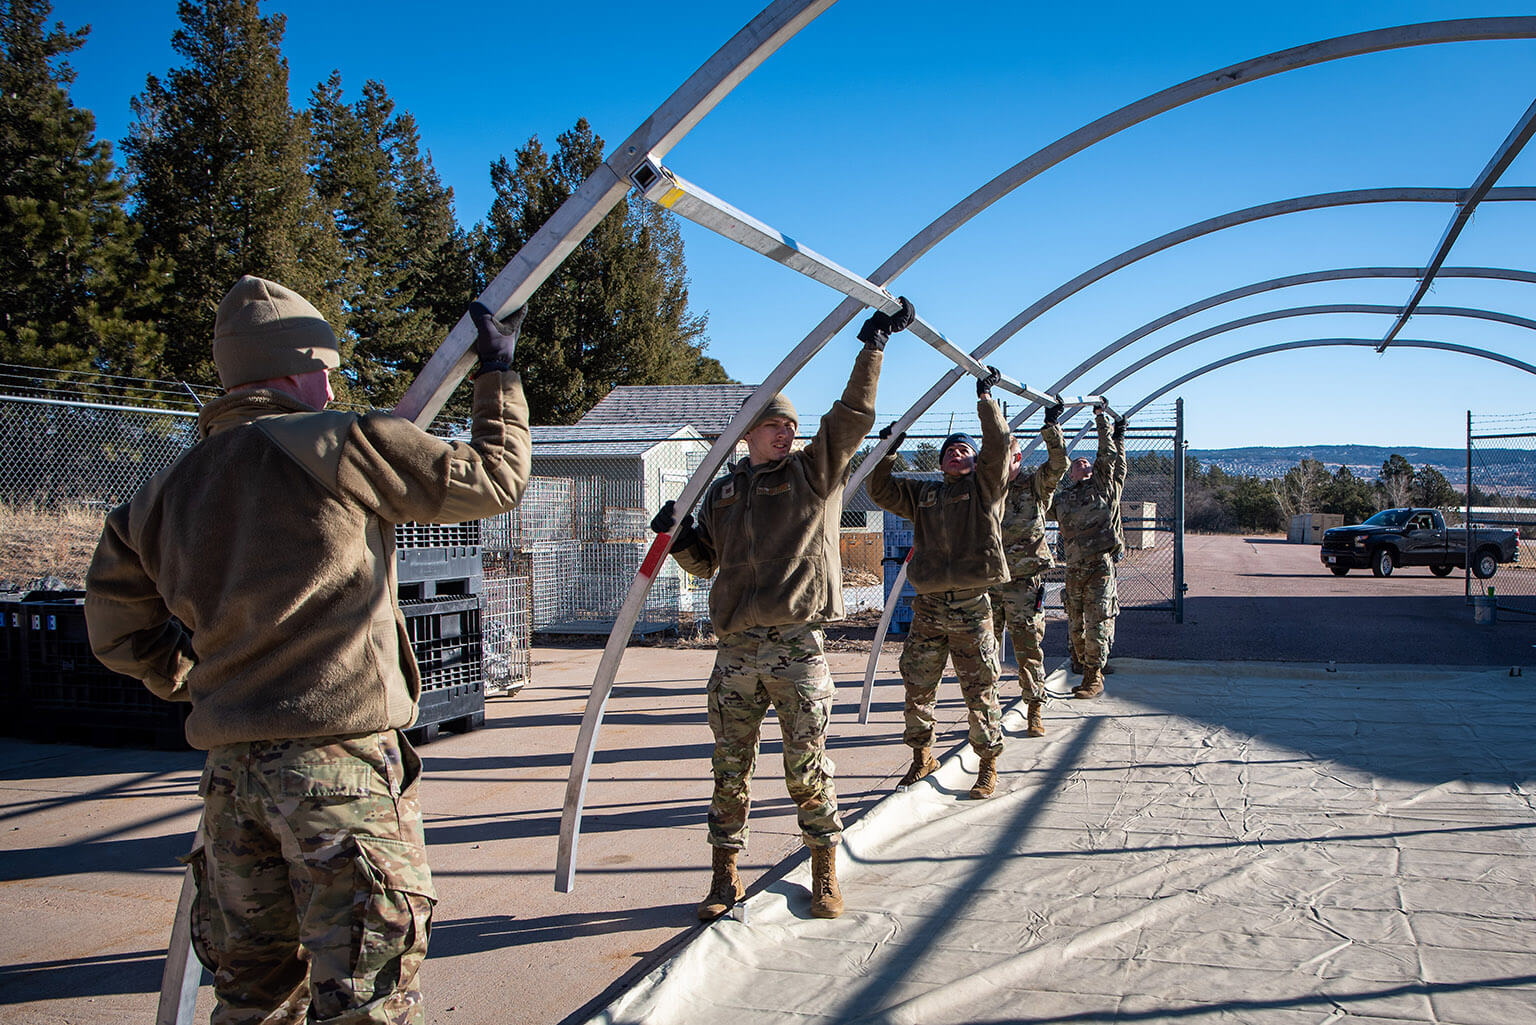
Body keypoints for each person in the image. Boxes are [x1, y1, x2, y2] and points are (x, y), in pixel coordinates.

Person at [84, 275, 531, 1024]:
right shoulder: (340, 443)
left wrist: (197, 680)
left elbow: (116, 631)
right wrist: (500, 376)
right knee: (366, 997)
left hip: (231, 786)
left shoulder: (161, 491)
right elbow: (496, 478)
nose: (330, 381)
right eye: (321, 364)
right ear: (293, 369)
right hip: (339, 776)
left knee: (251, 996)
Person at [652, 297, 916, 922]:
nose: (786, 432)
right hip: (736, 654)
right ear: (747, 433)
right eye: (775, 425)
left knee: (808, 768)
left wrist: (873, 346)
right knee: (728, 770)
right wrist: (680, 534)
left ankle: (824, 871)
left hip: (797, 650)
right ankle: (724, 878)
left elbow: (852, 416)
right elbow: (704, 565)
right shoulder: (722, 491)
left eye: (790, 425)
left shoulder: (811, 475)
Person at [867, 368, 1012, 800]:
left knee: (980, 685)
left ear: (974, 460)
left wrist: (986, 399)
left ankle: (987, 766)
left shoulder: (986, 489)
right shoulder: (925, 495)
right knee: (918, 683)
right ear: (940, 460)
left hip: (970, 605)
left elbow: (999, 447)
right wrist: (888, 449)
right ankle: (921, 756)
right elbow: (879, 488)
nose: (956, 455)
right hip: (928, 608)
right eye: (951, 451)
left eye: (965, 450)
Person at [988, 402, 1068, 737]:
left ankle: (1034, 709)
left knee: (1028, 649)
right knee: (984, 652)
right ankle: (987, 715)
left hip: (1023, 582)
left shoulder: (1034, 486)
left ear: (1017, 460)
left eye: (1003, 457)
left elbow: (1059, 464)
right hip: (989, 582)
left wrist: (1051, 426)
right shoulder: (985, 488)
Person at [1048, 405, 1127, 699]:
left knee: (1097, 621)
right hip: (1074, 568)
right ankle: (1083, 667)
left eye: (1086, 460)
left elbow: (1109, 458)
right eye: (1076, 461)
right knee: (1075, 623)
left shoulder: (1102, 487)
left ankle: (1094, 676)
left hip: (1098, 565)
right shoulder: (1063, 499)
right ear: (1070, 473)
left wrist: (1102, 421)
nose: (1082, 461)